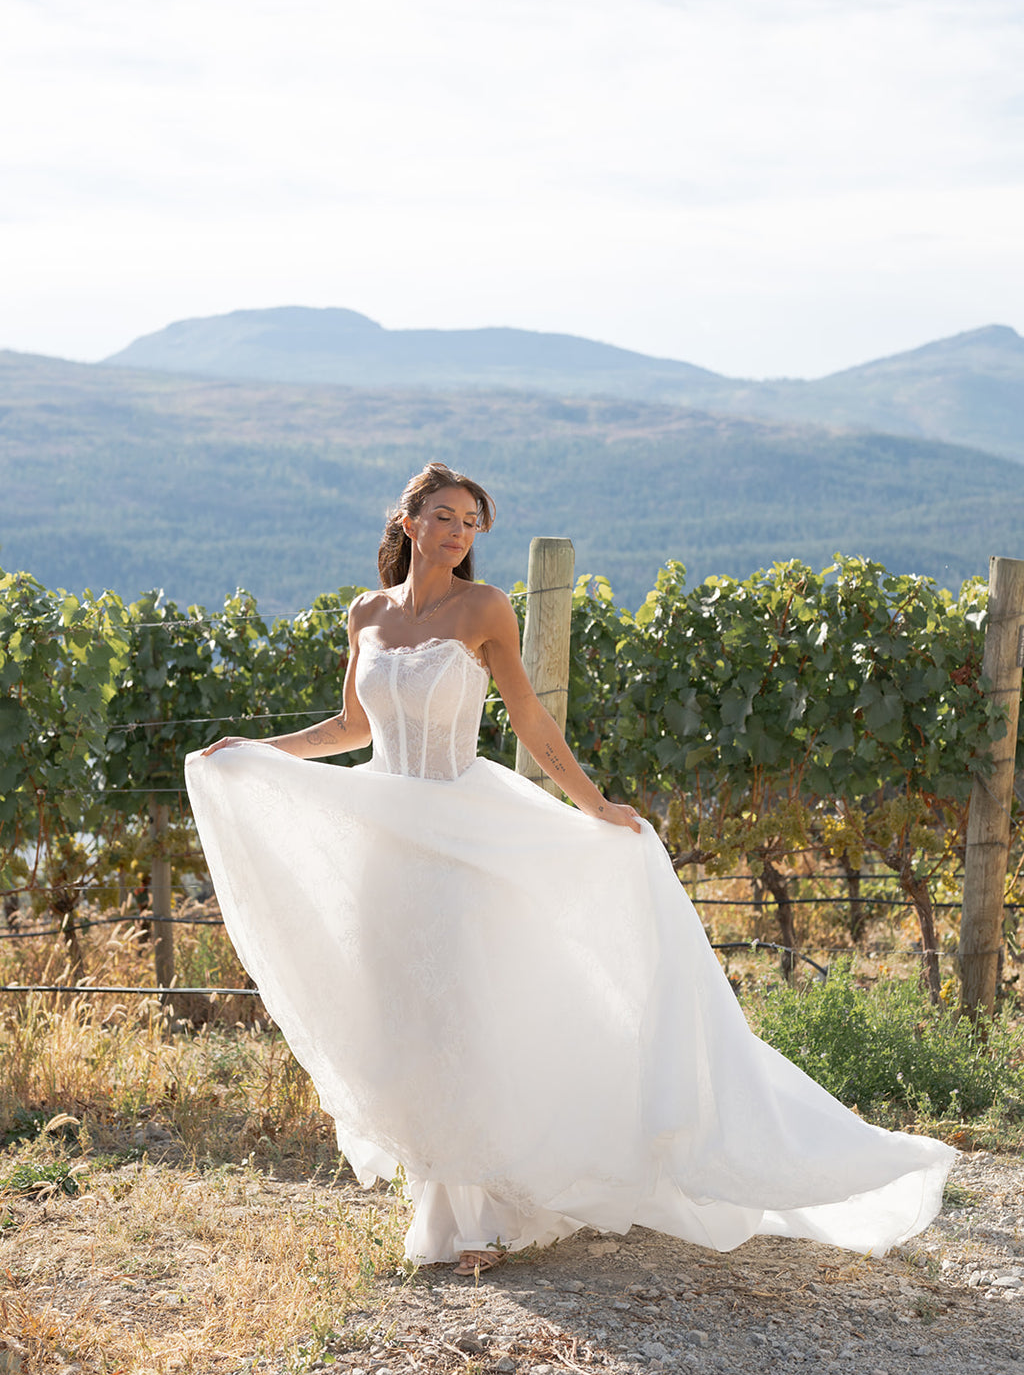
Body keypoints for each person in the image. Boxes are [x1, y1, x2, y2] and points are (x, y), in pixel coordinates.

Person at [186, 462, 954, 1278]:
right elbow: (349, 726)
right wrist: (257, 751)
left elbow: (528, 716)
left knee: (463, 1015)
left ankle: (487, 1217)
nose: (457, 532)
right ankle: (442, 1202)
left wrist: (595, 804)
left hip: (462, 838)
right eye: (444, 516)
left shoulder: (485, 608)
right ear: (408, 523)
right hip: (387, 844)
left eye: (471, 522)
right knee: (406, 1016)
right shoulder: (365, 613)